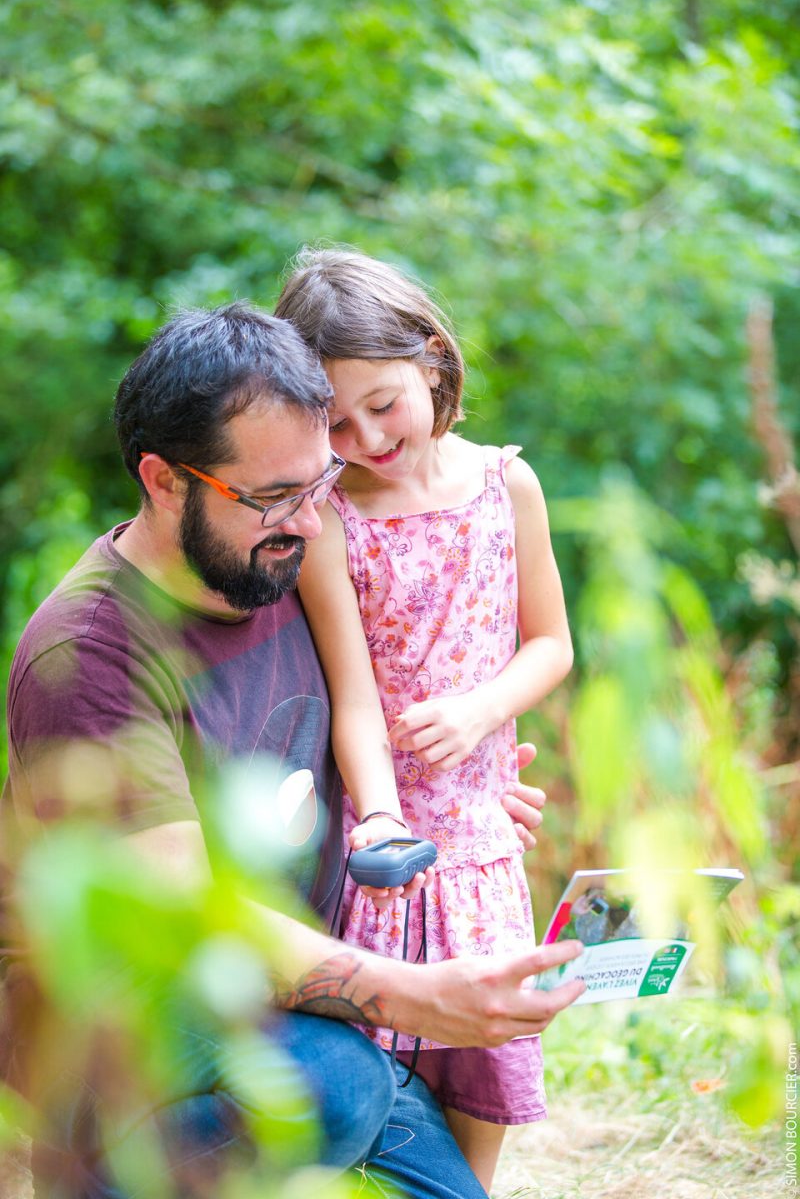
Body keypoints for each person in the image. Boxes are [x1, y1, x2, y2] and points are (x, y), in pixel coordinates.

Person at [1, 301, 584, 1198]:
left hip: (297, 1005)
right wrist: (419, 996)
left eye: (322, 485)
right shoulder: (89, 655)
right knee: (339, 1084)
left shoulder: (276, 563)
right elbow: (191, 921)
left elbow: (380, 720)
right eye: (275, 496)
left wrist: (459, 795)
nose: (310, 523)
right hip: (137, 1034)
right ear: (163, 480)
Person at [276, 248, 574, 1193]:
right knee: (382, 1084)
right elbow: (354, 695)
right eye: (337, 421)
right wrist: (380, 812)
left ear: (435, 363)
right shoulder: (331, 522)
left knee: (481, 1076)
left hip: (484, 845)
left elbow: (551, 644)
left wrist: (483, 706)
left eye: (384, 403)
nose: (366, 436)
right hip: (390, 856)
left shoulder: (505, 487)